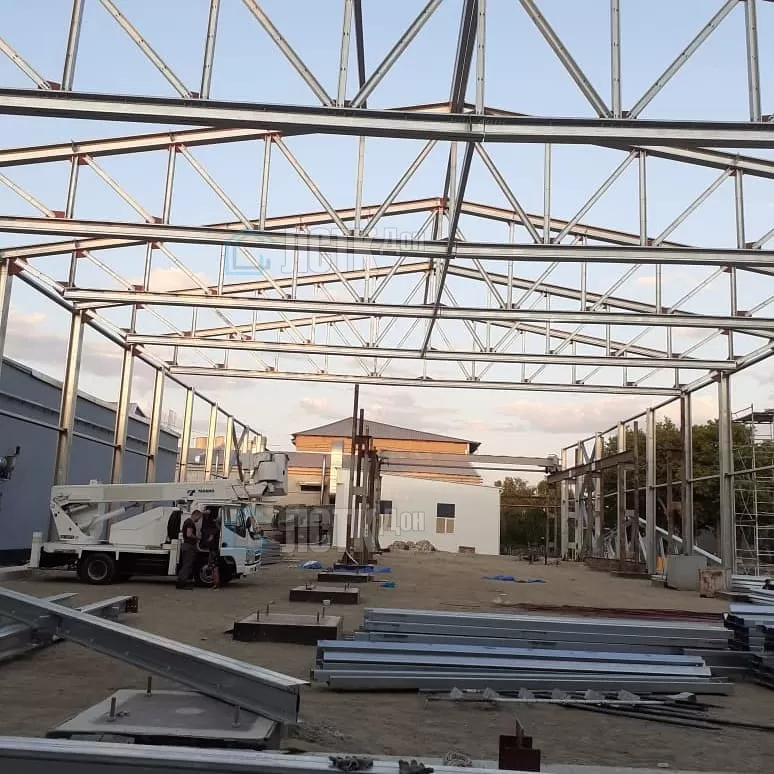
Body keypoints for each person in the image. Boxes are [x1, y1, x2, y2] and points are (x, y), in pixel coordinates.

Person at [176, 508, 202, 589]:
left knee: (186, 565)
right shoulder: (190, 523)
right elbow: (189, 534)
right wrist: (197, 538)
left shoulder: (187, 521)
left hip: (186, 546)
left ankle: (182, 582)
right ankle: (181, 583)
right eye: (199, 517)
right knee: (187, 565)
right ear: (196, 515)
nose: (198, 519)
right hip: (189, 546)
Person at [199, 509, 221, 589]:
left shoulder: (214, 529)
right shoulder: (219, 529)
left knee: (213, 567)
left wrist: (204, 541)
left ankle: (215, 584)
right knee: (215, 567)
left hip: (213, 549)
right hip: (216, 549)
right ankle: (216, 583)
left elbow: (210, 539)